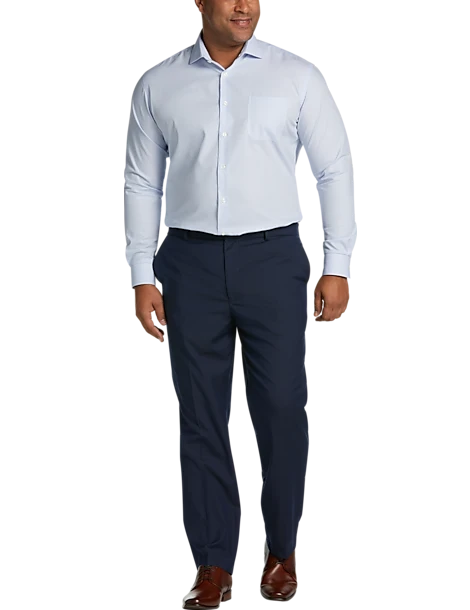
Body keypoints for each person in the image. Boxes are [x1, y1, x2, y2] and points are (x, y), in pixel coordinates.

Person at [124, 0, 356, 606]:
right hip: (189, 260)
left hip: (273, 258)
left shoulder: (296, 75)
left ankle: (282, 552)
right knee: (200, 415)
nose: (243, 6)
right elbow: (142, 180)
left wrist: (336, 265)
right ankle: (213, 563)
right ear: (199, 3)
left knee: (281, 408)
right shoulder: (160, 83)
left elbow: (333, 169)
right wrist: (142, 274)